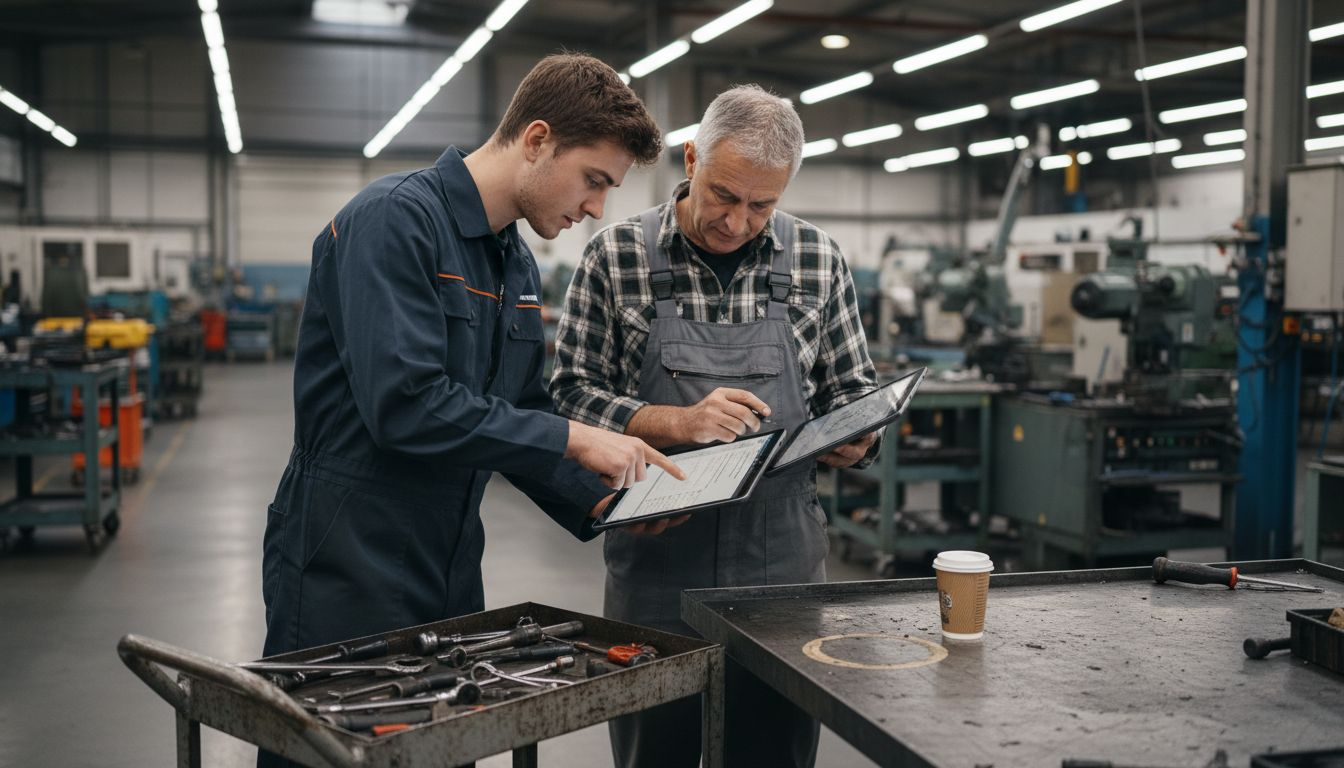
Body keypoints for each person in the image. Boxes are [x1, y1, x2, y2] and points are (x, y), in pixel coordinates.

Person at [260, 53, 682, 686]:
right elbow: (407, 406)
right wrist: (580, 435)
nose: (596, 207)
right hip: (347, 557)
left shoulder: (514, 262)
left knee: (441, 735)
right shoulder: (393, 221)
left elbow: (522, 413)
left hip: (451, 558)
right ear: (537, 141)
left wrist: (608, 501)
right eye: (593, 179)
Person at [551, 84, 882, 768]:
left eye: (763, 204)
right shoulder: (617, 256)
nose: (737, 222)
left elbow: (853, 389)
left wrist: (860, 435)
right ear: (693, 158)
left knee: (774, 752)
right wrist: (674, 420)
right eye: (724, 195)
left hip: (782, 573)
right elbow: (565, 400)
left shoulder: (820, 261)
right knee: (655, 754)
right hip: (656, 570)